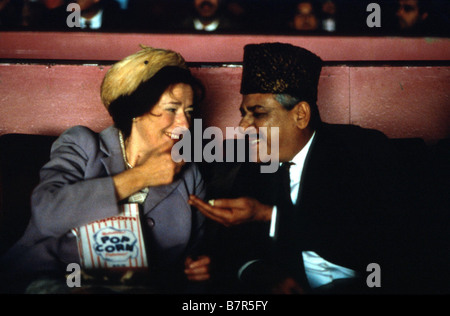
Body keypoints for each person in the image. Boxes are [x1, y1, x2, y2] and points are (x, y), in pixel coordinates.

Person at [189, 42, 446, 294]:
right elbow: (237, 250)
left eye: (258, 113)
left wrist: (270, 216)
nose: (243, 126)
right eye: (244, 113)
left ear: (300, 114)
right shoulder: (253, 165)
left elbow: (381, 237)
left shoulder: (361, 151)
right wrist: (260, 273)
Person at [0, 45, 211, 294]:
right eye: (172, 109)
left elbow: (194, 251)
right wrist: (140, 176)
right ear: (135, 110)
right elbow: (48, 213)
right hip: (55, 278)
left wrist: (196, 267)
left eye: (188, 111)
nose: (185, 124)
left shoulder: (188, 174)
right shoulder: (82, 144)